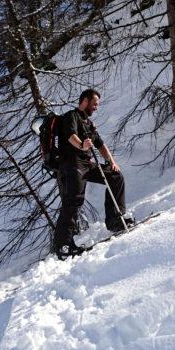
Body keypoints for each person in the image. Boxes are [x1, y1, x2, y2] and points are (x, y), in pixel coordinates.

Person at [52, 88, 134, 258]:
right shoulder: (71, 116)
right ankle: (63, 245)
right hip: (72, 163)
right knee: (74, 200)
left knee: (115, 176)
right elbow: (70, 136)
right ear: (84, 101)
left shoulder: (87, 123)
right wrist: (82, 145)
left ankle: (115, 220)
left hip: (87, 164)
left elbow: (100, 145)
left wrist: (112, 162)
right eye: (94, 103)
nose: (96, 107)